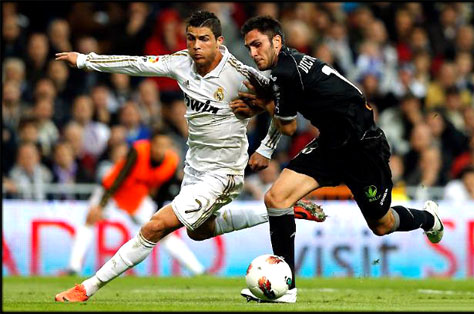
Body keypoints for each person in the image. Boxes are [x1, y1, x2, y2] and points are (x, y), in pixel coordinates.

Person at [54, 11, 325, 303]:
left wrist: (266, 148)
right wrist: (85, 60)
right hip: (194, 167)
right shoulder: (181, 62)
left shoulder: (242, 75)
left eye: (204, 39)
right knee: (199, 231)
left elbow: (283, 109)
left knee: (155, 226)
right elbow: (137, 63)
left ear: (219, 42)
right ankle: (281, 211)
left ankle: (88, 287)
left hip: (224, 172)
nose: (196, 46)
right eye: (192, 38)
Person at [237, 16, 445, 303]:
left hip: (363, 149)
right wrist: (268, 118)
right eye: (249, 47)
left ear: (276, 41)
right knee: (276, 199)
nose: (253, 53)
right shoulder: (288, 65)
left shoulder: (286, 73)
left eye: (257, 45)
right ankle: (287, 287)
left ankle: (428, 218)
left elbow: (288, 126)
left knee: (382, 225)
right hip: (331, 145)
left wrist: (266, 108)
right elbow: (285, 110)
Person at [61, 129, 205, 276]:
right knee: (90, 219)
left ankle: (197, 270)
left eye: (164, 146)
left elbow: (163, 190)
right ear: (151, 144)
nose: (160, 150)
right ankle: (74, 267)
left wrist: (157, 210)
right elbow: (120, 176)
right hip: (112, 191)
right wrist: (102, 204)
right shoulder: (138, 151)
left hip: (136, 196)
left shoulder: (171, 162)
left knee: (162, 230)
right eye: (158, 145)